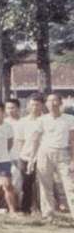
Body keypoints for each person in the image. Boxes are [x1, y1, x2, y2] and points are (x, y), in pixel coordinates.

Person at [28, 92, 74, 221]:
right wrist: (32, 159)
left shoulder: (70, 119)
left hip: (63, 153)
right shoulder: (42, 120)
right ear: (46, 104)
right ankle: (48, 214)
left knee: (70, 185)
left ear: (60, 103)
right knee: (45, 185)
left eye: (55, 100)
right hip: (44, 153)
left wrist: (73, 160)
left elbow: (72, 141)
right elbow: (35, 140)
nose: (52, 104)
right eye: (49, 101)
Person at [15, 95, 44, 214]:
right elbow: (20, 141)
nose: (35, 107)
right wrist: (22, 156)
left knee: (43, 184)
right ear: (27, 106)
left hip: (43, 156)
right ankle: (26, 208)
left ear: (42, 106)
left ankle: (42, 208)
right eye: (32, 105)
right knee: (26, 183)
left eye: (37, 105)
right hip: (26, 156)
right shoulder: (23, 122)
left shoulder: (46, 120)